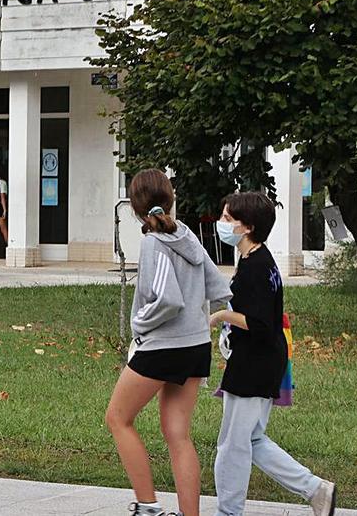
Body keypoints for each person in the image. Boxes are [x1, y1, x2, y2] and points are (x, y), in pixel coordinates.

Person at [104, 169, 231, 516]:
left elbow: (167, 300)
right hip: (195, 346)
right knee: (178, 434)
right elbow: (218, 286)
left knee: (117, 417)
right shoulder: (187, 235)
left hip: (162, 346)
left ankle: (148, 507)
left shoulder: (152, 243)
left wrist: (139, 325)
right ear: (170, 199)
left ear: (135, 208)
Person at [211, 192, 336, 516]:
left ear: (248, 226)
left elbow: (261, 324)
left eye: (227, 219)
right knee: (251, 440)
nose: (221, 224)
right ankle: (316, 490)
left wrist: (220, 317)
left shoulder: (257, 266)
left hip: (255, 364)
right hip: (258, 360)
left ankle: (228, 511)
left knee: (232, 445)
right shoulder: (254, 260)